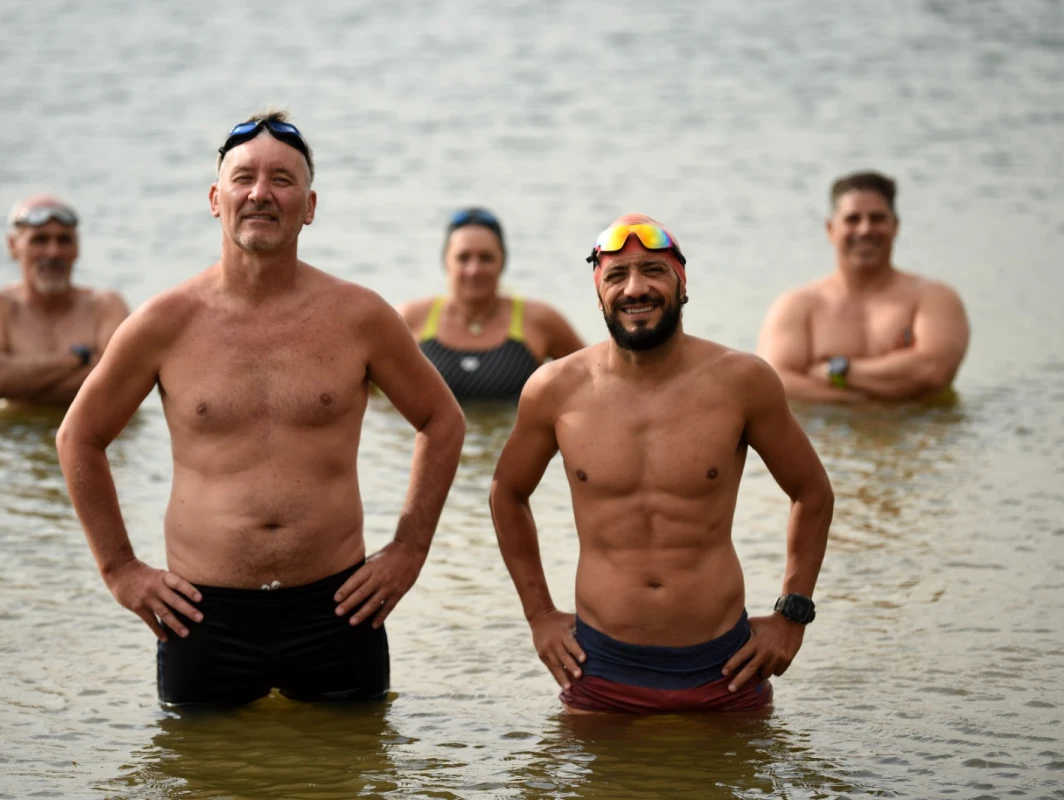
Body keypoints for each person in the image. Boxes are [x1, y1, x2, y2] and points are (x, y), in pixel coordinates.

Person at [55, 110, 466, 706]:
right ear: (216, 198)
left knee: (352, 779)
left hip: (339, 606)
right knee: (202, 781)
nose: (261, 194)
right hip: (201, 612)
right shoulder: (163, 322)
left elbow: (442, 420)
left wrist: (409, 549)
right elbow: (79, 438)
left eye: (282, 179)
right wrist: (120, 569)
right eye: (244, 177)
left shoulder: (360, 317)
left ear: (310, 204)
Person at [489, 214, 834, 714]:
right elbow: (507, 493)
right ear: (599, 292)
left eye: (653, 270)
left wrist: (792, 616)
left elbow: (812, 491)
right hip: (599, 663)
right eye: (616, 276)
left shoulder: (742, 381)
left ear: (681, 283)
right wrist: (540, 615)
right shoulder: (555, 389)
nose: (635, 288)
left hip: (725, 665)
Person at [757, 171, 970, 403]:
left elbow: (932, 371)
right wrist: (865, 404)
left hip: (918, 436)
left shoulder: (933, 297)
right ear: (830, 229)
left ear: (895, 226)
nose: (865, 229)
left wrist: (836, 371)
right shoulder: (798, 305)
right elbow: (775, 383)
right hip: (832, 439)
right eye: (852, 219)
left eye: (877, 218)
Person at [397, 208, 584, 403]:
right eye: (463, 257)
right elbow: (373, 394)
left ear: (503, 261)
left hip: (508, 433)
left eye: (486, 258)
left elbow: (593, 378)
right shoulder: (409, 319)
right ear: (446, 262)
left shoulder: (540, 320)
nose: (474, 270)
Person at [0, 195, 130, 407]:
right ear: (13, 246)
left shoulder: (105, 305)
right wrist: (78, 359)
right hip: (12, 438)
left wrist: (17, 384)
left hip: (92, 437)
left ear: (77, 248)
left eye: (64, 240)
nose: (53, 252)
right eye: (39, 240)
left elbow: (121, 383)